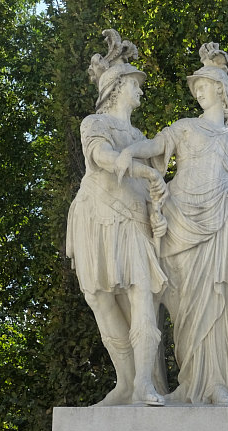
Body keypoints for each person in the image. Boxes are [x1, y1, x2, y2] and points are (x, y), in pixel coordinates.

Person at [115, 42, 228, 405]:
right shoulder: (185, 127)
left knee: (214, 302)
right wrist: (129, 151)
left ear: (220, 91)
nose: (199, 91)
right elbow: (156, 145)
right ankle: (191, 381)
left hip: (219, 221)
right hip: (181, 221)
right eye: (197, 87)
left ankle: (216, 385)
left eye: (205, 85)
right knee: (186, 308)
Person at [66, 30, 168, 406]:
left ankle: (144, 382)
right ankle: (125, 383)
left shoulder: (140, 135)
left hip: (133, 220)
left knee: (141, 293)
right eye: (135, 83)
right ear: (118, 87)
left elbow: (156, 189)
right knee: (100, 300)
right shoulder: (94, 124)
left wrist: (158, 201)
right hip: (96, 214)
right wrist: (144, 172)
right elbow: (102, 159)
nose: (140, 90)